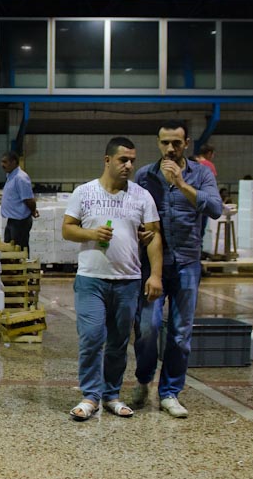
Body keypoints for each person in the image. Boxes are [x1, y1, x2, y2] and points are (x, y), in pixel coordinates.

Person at [62, 136, 163, 422]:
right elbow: (67, 230)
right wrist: (92, 234)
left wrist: (155, 275)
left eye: (132, 160)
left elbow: (154, 236)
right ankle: (90, 396)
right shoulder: (84, 192)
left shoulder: (142, 196)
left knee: (119, 342)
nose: (129, 165)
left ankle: (111, 395)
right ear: (107, 160)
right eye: (123, 159)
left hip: (128, 281)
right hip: (91, 279)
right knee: (92, 337)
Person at [132, 122, 222, 418]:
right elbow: (132, 213)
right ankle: (144, 380)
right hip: (152, 265)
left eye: (176, 143)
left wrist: (183, 184)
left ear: (187, 143)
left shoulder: (202, 174)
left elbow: (215, 208)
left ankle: (170, 392)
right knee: (148, 327)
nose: (170, 149)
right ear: (157, 143)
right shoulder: (145, 176)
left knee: (181, 334)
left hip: (187, 263)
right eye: (165, 143)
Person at [0, 151, 38, 251]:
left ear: (13, 162)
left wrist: (33, 210)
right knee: (9, 249)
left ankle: (24, 266)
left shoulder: (20, 178)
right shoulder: (10, 176)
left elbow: (29, 199)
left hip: (21, 221)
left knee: (20, 249)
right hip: (12, 220)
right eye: (2, 162)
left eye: (5, 162)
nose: (2, 165)